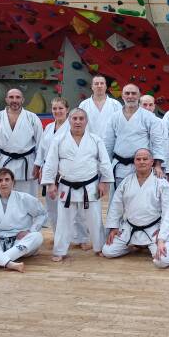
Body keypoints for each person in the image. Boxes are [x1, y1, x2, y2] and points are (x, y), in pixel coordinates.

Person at [42, 108, 114, 262]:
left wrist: (105, 181)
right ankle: (60, 250)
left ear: (86, 121)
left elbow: (105, 162)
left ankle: (99, 247)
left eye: (81, 118)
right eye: (74, 118)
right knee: (63, 221)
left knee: (95, 219)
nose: (78, 122)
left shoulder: (95, 139)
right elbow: (51, 163)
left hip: (90, 186)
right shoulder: (59, 139)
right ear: (69, 120)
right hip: (66, 187)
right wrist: (50, 184)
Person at [101, 148, 169, 260]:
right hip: (130, 228)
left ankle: (147, 245)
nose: (141, 162)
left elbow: (168, 211)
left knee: (163, 259)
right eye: (138, 159)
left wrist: (163, 231)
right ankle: (131, 245)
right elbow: (116, 205)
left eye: (145, 159)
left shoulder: (161, 183)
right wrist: (114, 227)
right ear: (134, 162)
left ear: (152, 162)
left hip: (153, 230)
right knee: (108, 251)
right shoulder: (126, 182)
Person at [104, 83, 167, 187]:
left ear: (139, 96)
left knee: (141, 196)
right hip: (119, 167)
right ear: (122, 96)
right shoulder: (114, 117)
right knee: (119, 196)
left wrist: (158, 165)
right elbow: (108, 143)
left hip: (142, 167)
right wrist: (106, 167)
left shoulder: (149, 117)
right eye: (127, 93)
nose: (130, 96)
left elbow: (157, 142)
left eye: (133, 93)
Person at [0, 88, 43, 196]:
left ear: (22, 100)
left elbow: (41, 144)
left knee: (27, 198)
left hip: (27, 165)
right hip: (5, 163)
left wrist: (38, 166)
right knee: (3, 197)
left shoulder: (32, 117)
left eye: (17, 97)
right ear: (6, 99)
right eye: (11, 97)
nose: (14, 100)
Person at [35, 97, 69, 229]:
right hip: (48, 170)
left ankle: (72, 236)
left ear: (67, 110)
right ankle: (57, 234)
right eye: (54, 108)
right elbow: (41, 149)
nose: (57, 111)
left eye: (61, 108)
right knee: (51, 205)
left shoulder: (72, 127)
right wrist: (38, 167)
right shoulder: (49, 127)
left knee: (68, 204)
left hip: (65, 171)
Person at [78, 74, 122, 139]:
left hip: (111, 143)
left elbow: (121, 127)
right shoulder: (83, 105)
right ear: (92, 87)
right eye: (96, 84)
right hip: (89, 142)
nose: (99, 86)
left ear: (106, 86)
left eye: (102, 83)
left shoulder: (116, 104)